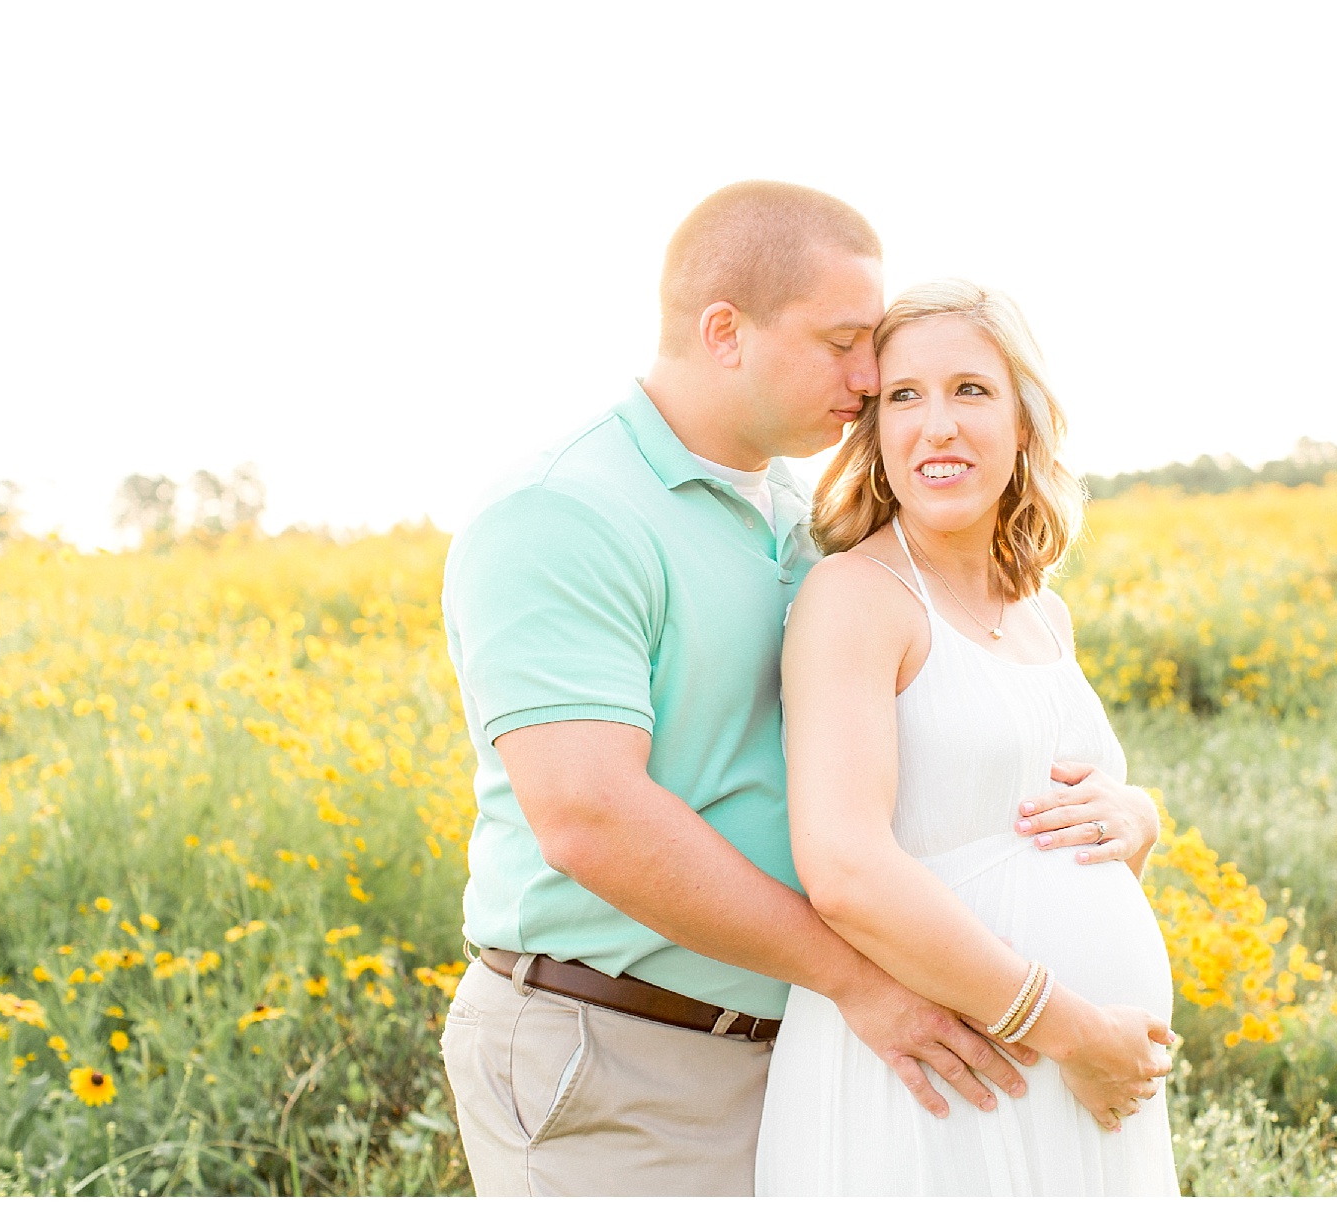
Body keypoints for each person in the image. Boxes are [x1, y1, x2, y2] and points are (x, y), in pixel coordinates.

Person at [437, 183, 1164, 1196]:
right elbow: (589, 817)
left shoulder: (790, 513)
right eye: (843, 344)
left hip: (788, 1045)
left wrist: (1130, 809)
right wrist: (864, 981)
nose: (871, 380)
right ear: (725, 331)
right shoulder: (563, 513)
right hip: (617, 1045)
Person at [754, 280, 1181, 1195]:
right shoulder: (855, 599)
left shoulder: (1042, 612)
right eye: (904, 395)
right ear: (874, 433)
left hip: (1072, 1083)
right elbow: (846, 870)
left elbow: (1038, 826)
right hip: (952, 1086)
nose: (936, 423)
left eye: (971, 390)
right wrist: (1073, 1030)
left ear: (1024, 421)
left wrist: (1138, 818)